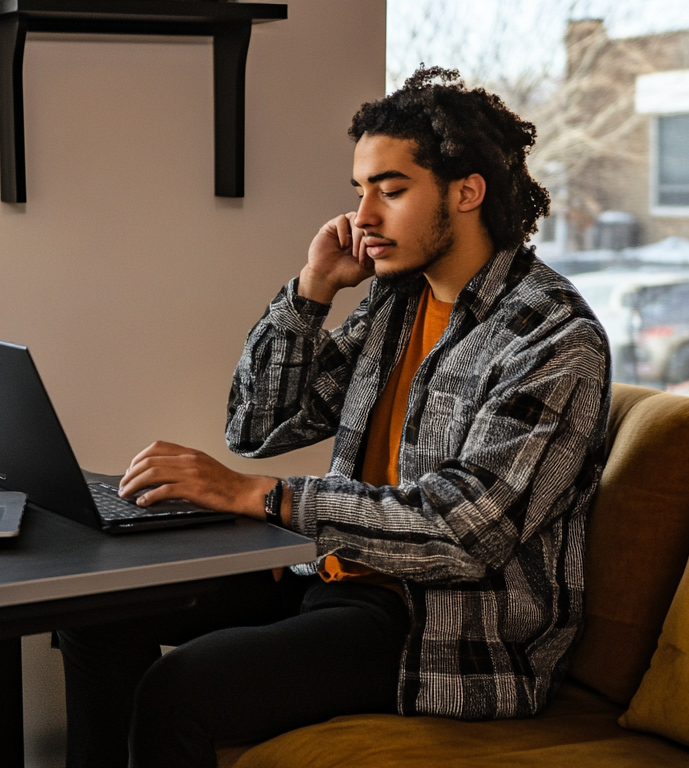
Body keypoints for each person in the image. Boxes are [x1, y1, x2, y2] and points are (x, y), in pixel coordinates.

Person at [56, 66, 612, 768]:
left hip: (430, 628)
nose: (364, 217)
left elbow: (464, 534)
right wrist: (312, 291)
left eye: (392, 189)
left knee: (180, 690)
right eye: (360, 191)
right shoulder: (398, 300)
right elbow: (258, 425)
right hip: (326, 574)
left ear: (467, 192)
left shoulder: (552, 339)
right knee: (99, 613)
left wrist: (261, 498)